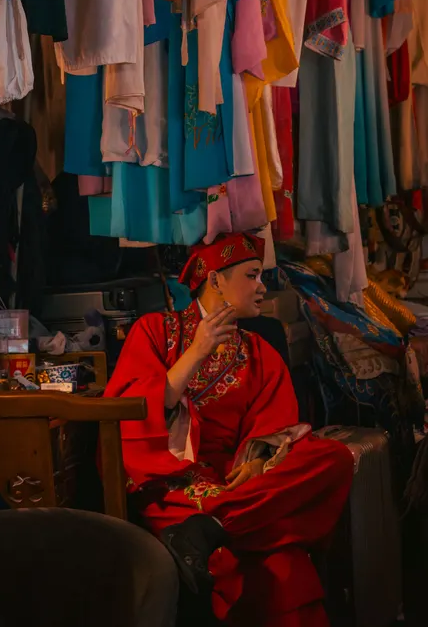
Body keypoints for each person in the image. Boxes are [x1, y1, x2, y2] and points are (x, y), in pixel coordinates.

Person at [104, 232, 354, 627]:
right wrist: (196, 351)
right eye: (252, 275)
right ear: (215, 280)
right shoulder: (155, 331)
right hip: (175, 483)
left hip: (240, 484)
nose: (262, 287)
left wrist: (259, 464)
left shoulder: (258, 351)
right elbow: (131, 416)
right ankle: (220, 524)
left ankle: (212, 526)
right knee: (281, 560)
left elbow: (277, 432)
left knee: (335, 456)